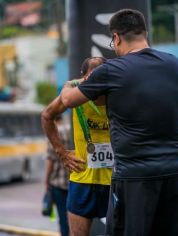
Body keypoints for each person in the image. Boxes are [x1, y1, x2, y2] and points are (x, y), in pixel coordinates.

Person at [52, 9, 178, 236]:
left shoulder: (112, 70)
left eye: (112, 43)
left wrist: (69, 85)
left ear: (116, 37)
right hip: (175, 174)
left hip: (135, 178)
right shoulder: (174, 64)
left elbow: (68, 100)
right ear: (144, 33)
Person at [42, 57, 112, 236]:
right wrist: (62, 153)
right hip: (83, 179)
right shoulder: (75, 94)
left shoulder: (117, 93)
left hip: (115, 180)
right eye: (91, 77)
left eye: (100, 75)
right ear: (83, 77)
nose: (96, 82)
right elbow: (47, 116)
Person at [44, 116, 70, 236]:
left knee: (63, 218)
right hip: (74, 181)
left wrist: (46, 180)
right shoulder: (71, 130)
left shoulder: (53, 134)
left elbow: (50, 161)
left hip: (58, 183)